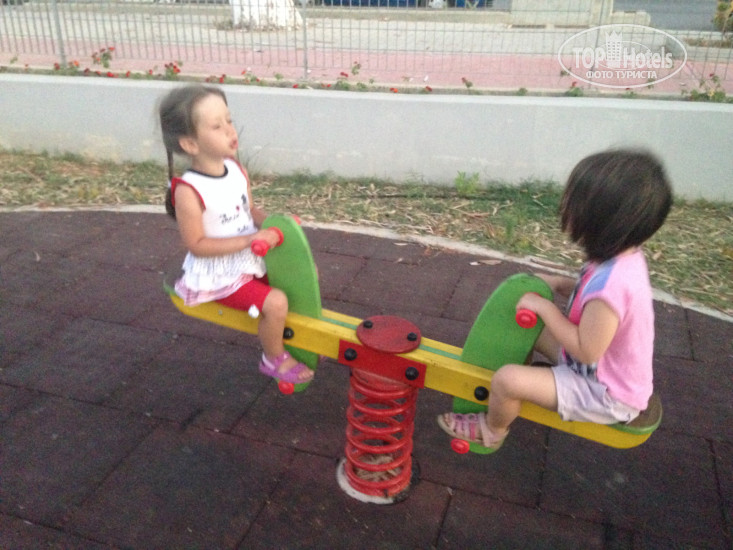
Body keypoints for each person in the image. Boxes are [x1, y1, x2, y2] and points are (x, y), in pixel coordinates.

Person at [438, 150, 672, 451]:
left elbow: (586, 350)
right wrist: (562, 284)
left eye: (573, 203)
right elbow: (592, 300)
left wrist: (546, 307)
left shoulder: (614, 285)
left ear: (600, 221)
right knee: (528, 329)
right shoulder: (623, 256)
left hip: (605, 393)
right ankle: (524, 388)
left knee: (506, 381)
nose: (564, 207)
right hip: (601, 370)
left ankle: (492, 428)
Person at [159, 84, 313, 384]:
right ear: (190, 144)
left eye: (229, 120)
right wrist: (248, 240)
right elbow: (197, 244)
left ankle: (299, 336)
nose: (230, 129)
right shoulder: (189, 190)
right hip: (219, 272)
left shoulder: (236, 169)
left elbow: (249, 210)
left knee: (301, 277)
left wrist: (276, 224)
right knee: (276, 302)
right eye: (217, 126)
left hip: (249, 256)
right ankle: (273, 358)